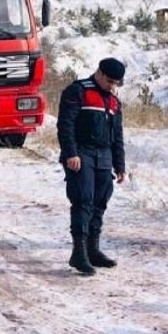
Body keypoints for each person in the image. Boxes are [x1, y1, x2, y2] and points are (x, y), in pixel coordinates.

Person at [57, 57, 126, 275]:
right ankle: (79, 252)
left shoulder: (114, 101)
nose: (112, 86)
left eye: (117, 83)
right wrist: (71, 153)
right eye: (110, 81)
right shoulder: (78, 91)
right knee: (83, 200)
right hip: (82, 153)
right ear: (99, 73)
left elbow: (118, 136)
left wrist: (120, 165)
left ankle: (92, 249)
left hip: (104, 154)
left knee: (100, 202)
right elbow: (65, 125)